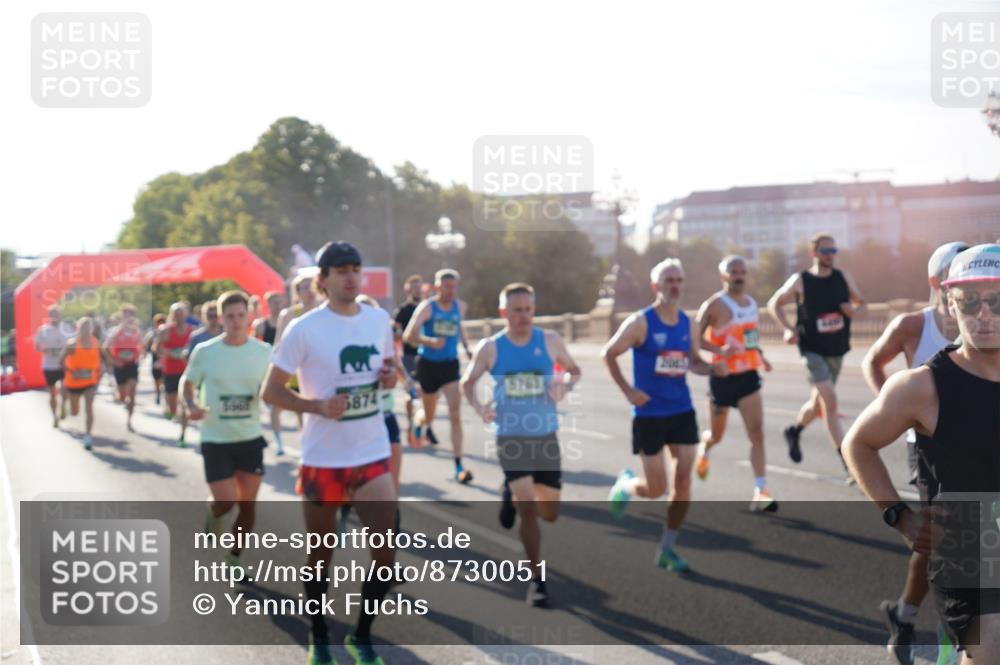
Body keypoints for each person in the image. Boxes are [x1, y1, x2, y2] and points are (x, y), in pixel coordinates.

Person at [843, 243, 1000, 665]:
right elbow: (857, 443)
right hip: (969, 550)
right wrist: (899, 515)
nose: (983, 314)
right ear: (950, 301)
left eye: (996, 300)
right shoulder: (922, 387)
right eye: (969, 300)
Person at [261, 241, 399, 665]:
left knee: (386, 550)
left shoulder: (378, 320)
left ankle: (361, 634)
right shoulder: (304, 329)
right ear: (322, 280)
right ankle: (319, 634)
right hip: (324, 459)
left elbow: (389, 372)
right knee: (321, 552)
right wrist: (315, 406)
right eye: (341, 270)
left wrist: (390, 377)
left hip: (372, 452)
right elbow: (270, 391)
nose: (351, 276)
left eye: (355, 268)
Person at [861, 241, 969, 665]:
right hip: (926, 449)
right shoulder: (913, 325)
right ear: (935, 281)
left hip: (978, 444)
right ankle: (949, 646)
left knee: (942, 546)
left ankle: (904, 615)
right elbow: (874, 361)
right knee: (950, 546)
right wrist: (894, 410)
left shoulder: (983, 321)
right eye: (953, 278)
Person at [461, 283, 581, 606]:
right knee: (529, 510)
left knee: (550, 513)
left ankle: (508, 494)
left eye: (528, 309)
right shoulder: (492, 347)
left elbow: (574, 371)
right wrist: (480, 407)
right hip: (510, 437)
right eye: (517, 310)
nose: (524, 316)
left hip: (545, 436)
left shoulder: (550, 341)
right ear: (504, 313)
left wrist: (564, 388)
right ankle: (537, 581)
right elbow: (467, 382)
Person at [603, 258, 727, 572]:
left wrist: (712, 368)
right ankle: (627, 487)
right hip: (649, 415)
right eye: (668, 280)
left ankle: (667, 549)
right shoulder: (640, 323)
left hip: (681, 410)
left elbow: (693, 361)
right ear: (656, 286)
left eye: (678, 280)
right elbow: (609, 353)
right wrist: (628, 391)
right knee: (656, 488)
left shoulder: (688, 324)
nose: (674, 285)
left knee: (683, 482)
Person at [182, 291, 272, 570]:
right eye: (230, 316)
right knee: (226, 502)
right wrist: (191, 405)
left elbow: (275, 387)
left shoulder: (263, 352)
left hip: (249, 438)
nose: (235, 322)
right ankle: (214, 510)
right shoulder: (206, 351)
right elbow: (188, 383)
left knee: (247, 507)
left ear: (249, 317)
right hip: (215, 437)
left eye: (240, 316)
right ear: (221, 319)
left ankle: (233, 557)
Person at [767, 233, 867, 478]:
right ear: (814, 253)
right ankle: (847, 461)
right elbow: (774, 304)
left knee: (817, 403)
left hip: (837, 348)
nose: (830, 255)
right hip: (811, 348)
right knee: (830, 401)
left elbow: (862, 305)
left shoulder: (843, 277)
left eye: (833, 251)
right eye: (825, 251)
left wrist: (853, 310)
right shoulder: (801, 281)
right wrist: (788, 329)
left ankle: (794, 430)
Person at [695, 255, 776, 512]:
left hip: (748, 376)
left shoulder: (752, 304)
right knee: (717, 435)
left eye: (742, 271)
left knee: (757, 434)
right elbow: (694, 339)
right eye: (734, 271)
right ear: (724, 276)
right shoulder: (714, 305)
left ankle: (761, 490)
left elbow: (750, 338)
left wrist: (761, 356)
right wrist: (719, 348)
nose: (739, 275)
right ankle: (704, 448)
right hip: (722, 377)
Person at [402, 269, 474, 483]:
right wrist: (430, 342)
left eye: (453, 287)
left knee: (455, 413)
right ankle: (419, 421)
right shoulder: (428, 307)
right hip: (428, 365)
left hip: (450, 365)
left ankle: (459, 464)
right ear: (437, 287)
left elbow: (459, 327)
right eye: (446, 287)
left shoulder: (460, 306)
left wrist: (467, 347)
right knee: (429, 415)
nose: (450, 291)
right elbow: (409, 336)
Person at [275, 272, 323, 434]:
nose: (309, 290)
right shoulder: (289, 315)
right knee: (304, 414)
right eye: (304, 287)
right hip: (296, 372)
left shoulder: (325, 312)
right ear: (297, 292)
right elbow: (279, 344)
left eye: (311, 285)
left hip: (321, 370)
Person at [61, 317, 103, 450]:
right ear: (78, 329)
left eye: (88, 327)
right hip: (74, 382)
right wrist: (72, 372)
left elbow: (101, 358)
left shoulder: (95, 342)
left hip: (90, 381)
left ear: (91, 329)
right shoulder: (72, 344)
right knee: (74, 412)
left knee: (89, 407)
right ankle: (65, 406)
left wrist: (101, 370)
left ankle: (88, 436)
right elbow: (60, 361)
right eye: (83, 327)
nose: (86, 330)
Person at [254, 290, 287, 454]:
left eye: (279, 302)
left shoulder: (288, 322)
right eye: (274, 303)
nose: (277, 305)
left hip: (286, 368)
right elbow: (255, 347)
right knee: (274, 407)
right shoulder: (261, 325)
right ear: (268, 305)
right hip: (266, 369)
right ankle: (279, 442)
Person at [154, 302, 193, 444]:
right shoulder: (166, 330)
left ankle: (183, 435)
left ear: (186, 315)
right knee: (173, 404)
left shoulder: (191, 331)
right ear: (172, 315)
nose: (179, 317)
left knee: (185, 403)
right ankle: (170, 410)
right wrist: (171, 353)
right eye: (176, 314)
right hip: (170, 370)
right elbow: (156, 349)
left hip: (187, 372)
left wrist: (185, 354)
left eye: (181, 314)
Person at [392, 274, 424, 445]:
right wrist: (406, 335)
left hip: (426, 356)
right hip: (409, 356)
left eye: (420, 287)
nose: (417, 290)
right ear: (408, 289)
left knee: (429, 394)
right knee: (411, 394)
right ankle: (410, 422)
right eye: (414, 287)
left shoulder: (428, 307)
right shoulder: (402, 310)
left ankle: (424, 425)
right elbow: (395, 334)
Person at [103, 304, 144, 432]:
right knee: (122, 397)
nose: (128, 317)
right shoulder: (115, 331)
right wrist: (114, 360)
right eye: (126, 315)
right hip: (119, 366)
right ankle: (122, 398)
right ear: (122, 316)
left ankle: (129, 420)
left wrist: (138, 357)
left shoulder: (136, 331)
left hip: (132, 365)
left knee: (132, 391)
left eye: (130, 315)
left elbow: (141, 346)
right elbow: (105, 347)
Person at [34, 305, 69, 427]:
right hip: (48, 366)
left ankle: (64, 405)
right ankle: (55, 416)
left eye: (56, 313)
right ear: (49, 316)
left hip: (63, 365)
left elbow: (72, 345)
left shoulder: (66, 328)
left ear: (60, 315)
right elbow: (37, 346)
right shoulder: (43, 330)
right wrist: (42, 348)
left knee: (65, 389)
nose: (54, 316)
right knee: (52, 393)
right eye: (52, 314)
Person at [143, 313, 166, 406]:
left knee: (164, 378)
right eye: (158, 322)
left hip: (165, 359)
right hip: (155, 359)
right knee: (156, 378)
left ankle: (165, 394)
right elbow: (146, 343)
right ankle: (158, 393)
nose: (160, 324)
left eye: (162, 322)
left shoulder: (167, 331)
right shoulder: (152, 333)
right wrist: (145, 353)